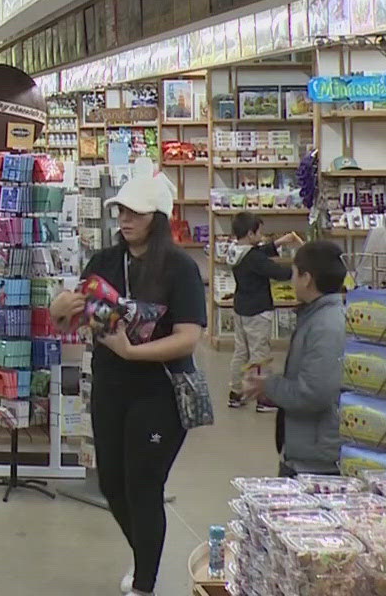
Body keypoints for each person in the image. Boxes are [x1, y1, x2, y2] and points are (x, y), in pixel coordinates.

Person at [49, 171, 206, 596]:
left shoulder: (180, 268)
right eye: (121, 210)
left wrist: (133, 352)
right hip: (110, 387)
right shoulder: (103, 262)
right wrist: (61, 306)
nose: (125, 219)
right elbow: (67, 317)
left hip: (160, 391)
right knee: (112, 484)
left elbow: (190, 335)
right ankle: (145, 556)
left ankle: (144, 583)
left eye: (136, 212)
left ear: (157, 217)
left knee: (144, 483)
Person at [247, 240, 348, 476]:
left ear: (306, 278)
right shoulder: (315, 317)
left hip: (316, 459)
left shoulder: (326, 326)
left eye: (293, 273)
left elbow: (315, 393)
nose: (291, 280)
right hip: (306, 447)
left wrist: (270, 385)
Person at [228, 212, 304, 411]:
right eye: (260, 233)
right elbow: (278, 273)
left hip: (241, 308)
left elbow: (259, 253)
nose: (262, 237)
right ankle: (263, 397)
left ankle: (236, 393)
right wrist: (300, 267)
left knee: (240, 352)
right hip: (258, 311)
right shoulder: (253, 258)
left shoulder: (236, 251)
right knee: (259, 354)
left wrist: (280, 242)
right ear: (251, 233)